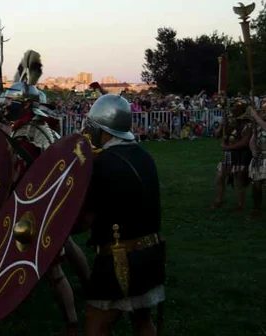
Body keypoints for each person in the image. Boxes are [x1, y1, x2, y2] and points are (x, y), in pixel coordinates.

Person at [77, 94, 165, 336]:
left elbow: (86, 219)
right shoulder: (145, 156)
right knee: (142, 321)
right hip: (152, 252)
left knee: (97, 323)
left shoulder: (102, 164)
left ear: (103, 129)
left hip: (119, 258)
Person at [212, 100, 253, 212]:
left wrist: (228, 147)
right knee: (220, 177)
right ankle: (219, 200)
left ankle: (240, 204)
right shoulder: (229, 122)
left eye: (236, 107)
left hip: (241, 154)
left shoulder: (247, 123)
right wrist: (222, 124)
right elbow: (217, 135)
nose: (233, 109)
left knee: (238, 179)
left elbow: (245, 142)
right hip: (228, 154)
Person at [248, 106, 266, 218]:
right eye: (262, 111)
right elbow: (252, 140)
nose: (263, 113)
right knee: (256, 184)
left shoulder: (262, 124)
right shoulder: (258, 126)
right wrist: (253, 150)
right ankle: (256, 208)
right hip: (260, 157)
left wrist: (255, 115)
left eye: (264, 112)